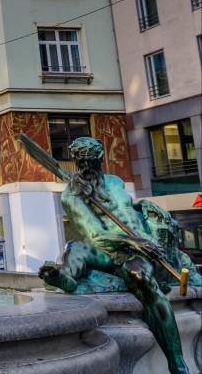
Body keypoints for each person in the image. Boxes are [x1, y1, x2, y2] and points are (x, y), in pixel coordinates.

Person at [38, 137, 200, 374]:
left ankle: (176, 362)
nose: (86, 168)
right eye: (81, 163)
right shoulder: (71, 197)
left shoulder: (116, 183)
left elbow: (130, 211)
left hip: (147, 246)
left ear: (101, 159)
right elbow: (96, 235)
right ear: (75, 162)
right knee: (79, 250)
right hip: (113, 251)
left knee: (141, 274)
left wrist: (148, 212)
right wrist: (134, 242)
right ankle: (63, 276)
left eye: (91, 163)